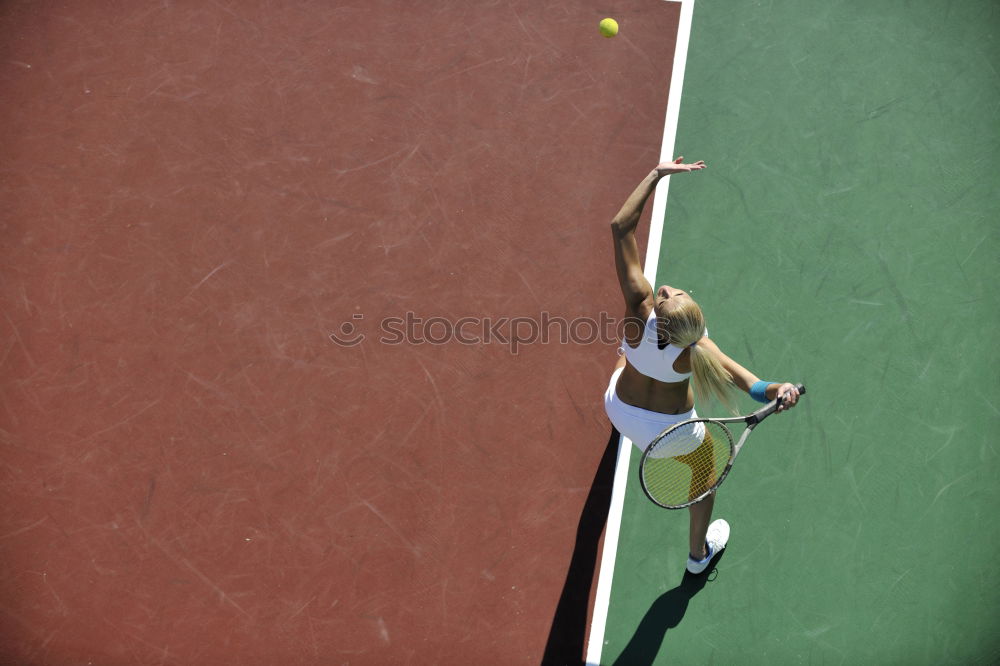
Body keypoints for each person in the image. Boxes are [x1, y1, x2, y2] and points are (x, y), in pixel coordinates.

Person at [604, 157, 801, 574]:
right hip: (670, 437)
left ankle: (622, 422)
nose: (666, 287)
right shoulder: (698, 349)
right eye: (670, 293)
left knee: (624, 355)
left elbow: (621, 227)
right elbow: (753, 385)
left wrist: (657, 174)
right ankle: (698, 557)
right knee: (706, 479)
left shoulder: (638, 308)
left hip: (617, 409)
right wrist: (781, 389)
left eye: (668, 294)